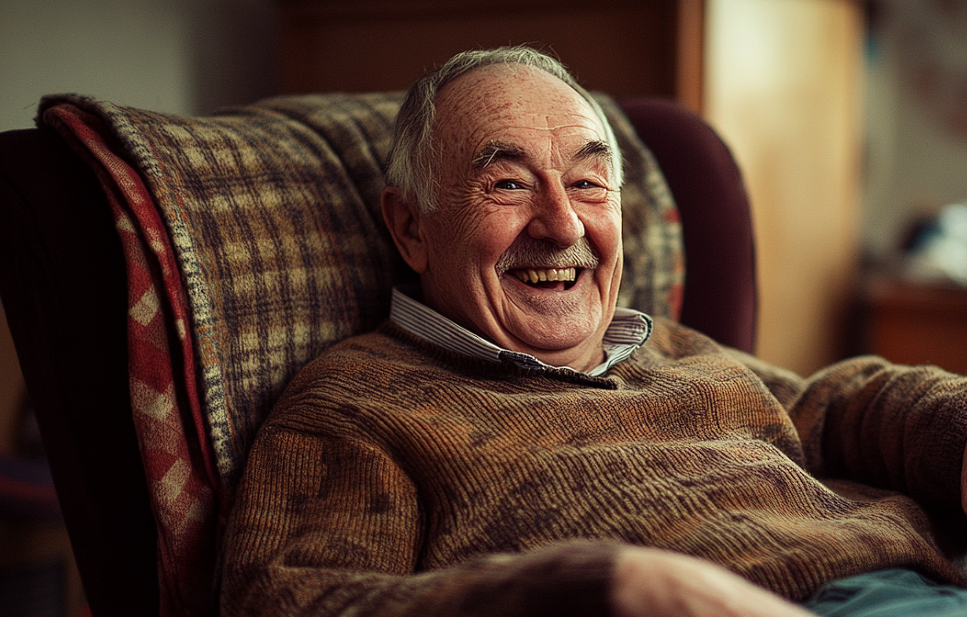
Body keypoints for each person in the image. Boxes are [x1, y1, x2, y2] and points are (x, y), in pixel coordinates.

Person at [219, 47, 967, 617]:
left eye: (586, 182)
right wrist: (605, 583)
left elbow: (837, 405)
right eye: (508, 183)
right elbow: (298, 599)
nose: (563, 224)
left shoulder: (671, 346)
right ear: (411, 227)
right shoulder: (353, 405)